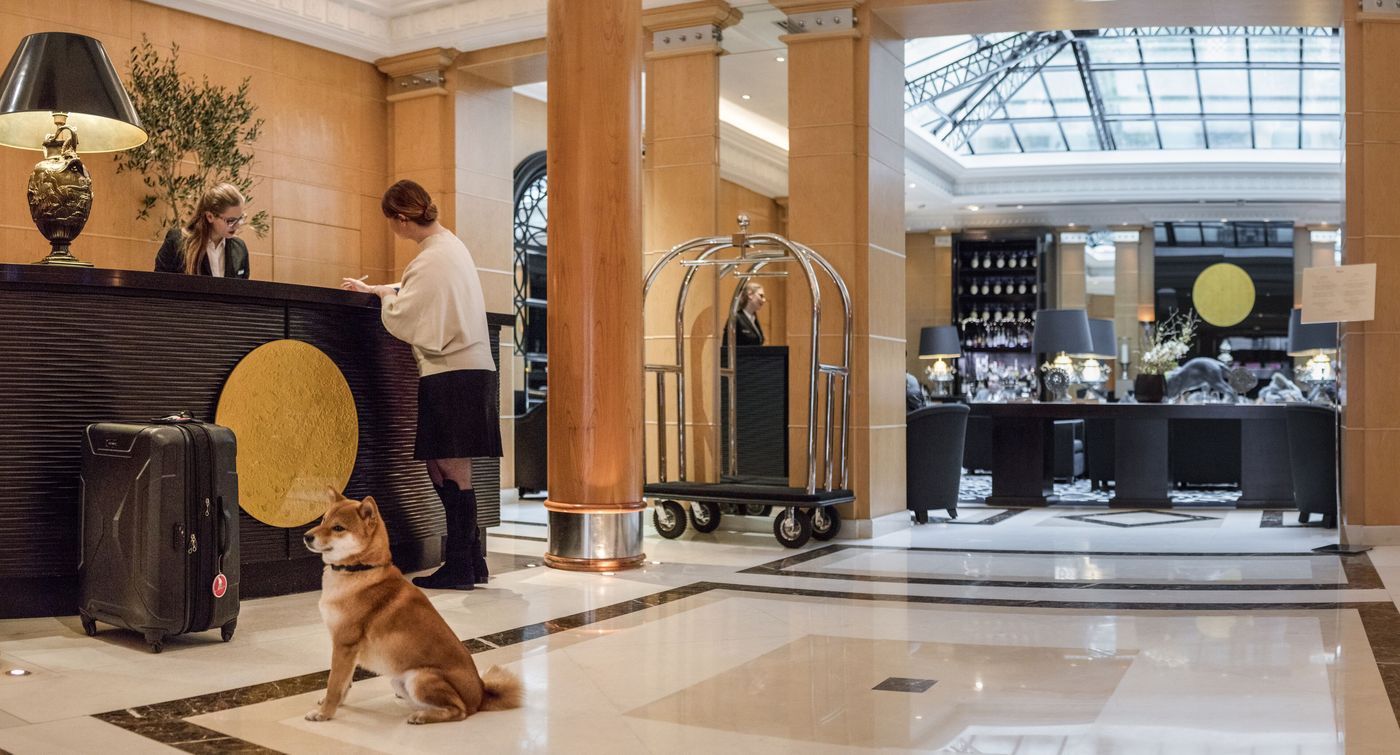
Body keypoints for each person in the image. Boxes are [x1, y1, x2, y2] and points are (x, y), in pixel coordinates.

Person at [341, 180, 502, 591]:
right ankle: (471, 559)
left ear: (401, 217)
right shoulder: (449, 247)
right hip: (466, 370)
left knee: (450, 468)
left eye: (391, 222)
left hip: (453, 372)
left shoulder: (432, 258)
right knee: (443, 465)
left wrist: (382, 298)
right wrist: (381, 289)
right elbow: (419, 296)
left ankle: (462, 565)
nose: (394, 230)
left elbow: (408, 312)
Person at [154, 183, 251, 278]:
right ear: (210, 216)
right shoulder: (177, 242)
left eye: (240, 218)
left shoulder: (239, 248)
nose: (237, 226)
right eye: (231, 220)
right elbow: (159, 286)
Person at [729, 281, 766, 346]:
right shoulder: (736, 318)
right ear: (750, 295)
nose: (764, 300)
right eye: (761, 296)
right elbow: (727, 347)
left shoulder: (754, 319)